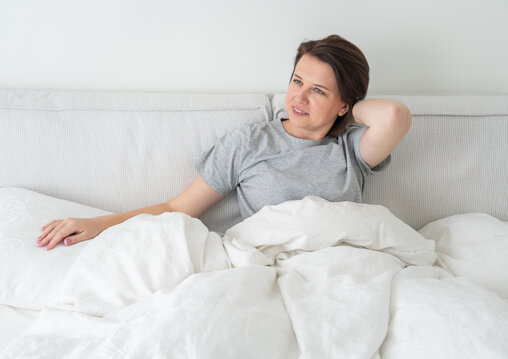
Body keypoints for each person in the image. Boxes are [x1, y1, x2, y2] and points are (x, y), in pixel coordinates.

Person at [37, 34, 411, 251]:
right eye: (297, 81)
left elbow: (394, 115)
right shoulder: (250, 141)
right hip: (271, 262)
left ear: (345, 102)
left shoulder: (352, 147)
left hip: (344, 263)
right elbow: (177, 207)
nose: (299, 99)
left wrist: (346, 113)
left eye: (318, 90)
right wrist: (99, 224)